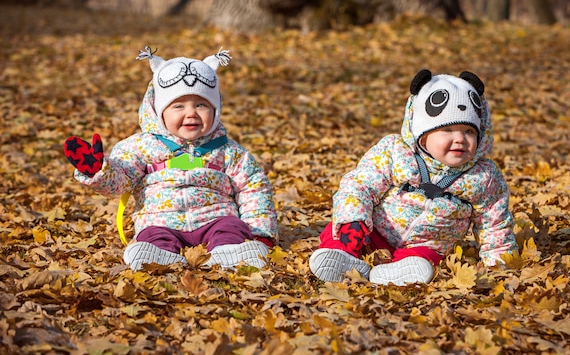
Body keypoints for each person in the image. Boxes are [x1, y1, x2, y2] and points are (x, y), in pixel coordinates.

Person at [64, 46, 278, 271]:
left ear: (216, 110)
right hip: (160, 220)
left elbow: (254, 189)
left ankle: (231, 251)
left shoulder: (228, 151)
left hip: (215, 217)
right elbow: (121, 179)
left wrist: (260, 232)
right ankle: (157, 255)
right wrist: (98, 170)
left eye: (201, 104)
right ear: (158, 111)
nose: (191, 113)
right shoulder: (140, 146)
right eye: (178, 106)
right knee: (152, 234)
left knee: (231, 227)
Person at [309, 69, 518, 286]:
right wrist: (354, 218)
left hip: (426, 246)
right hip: (375, 233)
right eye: (447, 130)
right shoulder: (396, 152)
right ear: (423, 135)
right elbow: (360, 184)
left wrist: (499, 263)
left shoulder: (483, 176)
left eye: (469, 131)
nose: (460, 139)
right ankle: (340, 256)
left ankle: (401, 271)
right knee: (340, 230)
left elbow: (494, 223)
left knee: (427, 258)